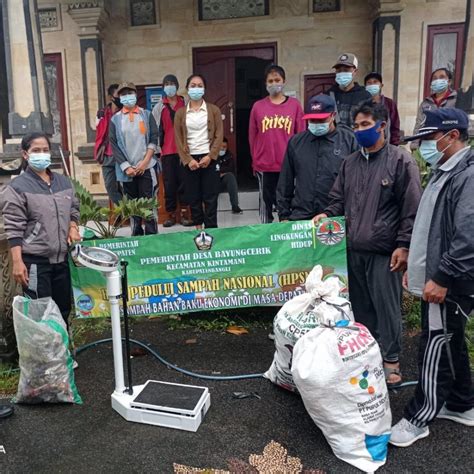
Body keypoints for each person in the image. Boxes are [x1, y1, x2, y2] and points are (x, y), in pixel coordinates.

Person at [313, 102, 422, 389]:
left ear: (381, 126)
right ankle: (368, 355)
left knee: (387, 308)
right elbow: (338, 199)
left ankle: (391, 360)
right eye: (357, 126)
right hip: (353, 249)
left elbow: (411, 208)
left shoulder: (400, 161)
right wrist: (327, 213)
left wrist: (404, 244)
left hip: (385, 252)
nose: (360, 130)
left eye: (365, 125)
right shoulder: (350, 163)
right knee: (361, 308)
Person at [390, 108, 474, 447]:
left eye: (429, 138)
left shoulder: (467, 176)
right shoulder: (445, 171)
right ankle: (462, 402)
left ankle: (418, 416)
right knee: (450, 340)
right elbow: (433, 224)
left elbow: (468, 237)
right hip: (438, 275)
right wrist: (411, 251)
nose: (424, 145)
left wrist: (442, 276)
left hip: (448, 282)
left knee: (433, 345)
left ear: (452, 136)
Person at [0, 132, 81, 329]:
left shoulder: (63, 182)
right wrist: (18, 263)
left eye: (45, 150)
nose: (42, 154)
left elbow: (74, 208)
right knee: (40, 313)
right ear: (25, 154)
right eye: (36, 150)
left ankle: (62, 355)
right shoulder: (17, 187)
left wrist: (72, 226)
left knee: (63, 309)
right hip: (36, 263)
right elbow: (14, 227)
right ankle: (44, 358)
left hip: (61, 260)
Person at [277, 94, 358, 221]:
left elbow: (356, 183)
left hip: (336, 217)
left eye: (321, 120)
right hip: (302, 216)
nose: (316, 124)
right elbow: (285, 182)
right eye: (312, 120)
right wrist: (284, 214)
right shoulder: (296, 143)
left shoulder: (349, 141)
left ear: (332, 116)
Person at [249, 64, 305, 223]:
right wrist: (255, 160)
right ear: (266, 84)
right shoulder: (258, 107)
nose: (274, 84)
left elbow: (301, 134)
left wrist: (300, 161)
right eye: (270, 81)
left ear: (284, 81)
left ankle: (285, 233)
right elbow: (252, 135)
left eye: (277, 80)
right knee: (265, 204)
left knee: (286, 202)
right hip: (264, 164)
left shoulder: (294, 105)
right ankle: (266, 234)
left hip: (288, 164)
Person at [109, 82, 159, 236]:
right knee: (132, 204)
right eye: (123, 94)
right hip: (127, 170)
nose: (127, 97)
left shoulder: (146, 114)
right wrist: (127, 167)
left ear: (135, 94)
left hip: (146, 166)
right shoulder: (115, 120)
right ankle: (136, 233)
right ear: (119, 98)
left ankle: (151, 235)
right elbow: (114, 144)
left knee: (147, 202)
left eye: (129, 93)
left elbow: (153, 137)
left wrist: (144, 163)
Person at [174, 74, 223, 229]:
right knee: (193, 196)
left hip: (209, 158)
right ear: (187, 89)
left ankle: (211, 229)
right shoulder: (181, 113)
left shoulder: (213, 110)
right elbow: (178, 138)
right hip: (190, 160)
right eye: (193, 85)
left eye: (199, 85)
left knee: (210, 197)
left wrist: (210, 156)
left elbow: (219, 135)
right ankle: (198, 230)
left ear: (204, 89)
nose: (196, 88)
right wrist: (188, 160)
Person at [151, 74, 192, 227]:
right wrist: (156, 151)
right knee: (169, 184)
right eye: (166, 84)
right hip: (167, 151)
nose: (169, 86)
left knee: (185, 183)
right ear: (163, 87)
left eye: (172, 83)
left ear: (177, 85)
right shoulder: (159, 107)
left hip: (184, 151)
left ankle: (184, 213)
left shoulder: (185, 103)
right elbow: (154, 130)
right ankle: (170, 215)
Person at [411, 67, 457, 149]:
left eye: (442, 77)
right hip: (428, 147)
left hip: (449, 147)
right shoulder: (425, 103)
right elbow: (419, 125)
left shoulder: (457, 100)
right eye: (434, 78)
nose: (437, 80)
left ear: (449, 81)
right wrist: (414, 145)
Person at [94, 83, 123, 205]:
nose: (120, 98)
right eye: (118, 95)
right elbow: (98, 132)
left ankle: (130, 213)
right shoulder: (102, 113)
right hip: (107, 154)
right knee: (110, 186)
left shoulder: (125, 113)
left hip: (122, 154)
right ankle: (124, 210)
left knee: (125, 186)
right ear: (111, 97)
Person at [326, 53, 371, 127]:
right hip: (335, 137)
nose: (342, 73)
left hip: (356, 137)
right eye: (339, 70)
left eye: (346, 70)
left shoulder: (365, 96)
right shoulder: (329, 95)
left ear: (355, 71)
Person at [364, 72, 401, 145]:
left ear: (381, 85)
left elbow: (395, 126)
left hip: (385, 146)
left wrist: (394, 145)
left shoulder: (389, 103)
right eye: (369, 83)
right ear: (365, 87)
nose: (372, 85)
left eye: (375, 82)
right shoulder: (362, 104)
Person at [218, 138, 242, 214]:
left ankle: (235, 206)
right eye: (221, 146)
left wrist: (221, 172)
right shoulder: (211, 156)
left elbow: (231, 168)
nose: (222, 148)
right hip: (213, 182)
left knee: (230, 176)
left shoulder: (229, 155)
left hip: (223, 181)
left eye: (224, 147)